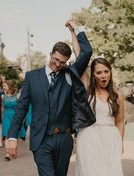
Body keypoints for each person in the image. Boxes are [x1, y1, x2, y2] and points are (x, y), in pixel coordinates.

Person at [6, 19, 95, 176]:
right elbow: (21, 108)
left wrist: (76, 29)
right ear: (51, 54)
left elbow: (87, 52)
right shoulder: (32, 77)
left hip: (64, 139)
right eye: (55, 60)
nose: (58, 64)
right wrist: (12, 136)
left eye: (62, 62)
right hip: (41, 141)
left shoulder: (70, 73)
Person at [75, 61, 125, 174]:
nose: (103, 75)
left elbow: (120, 121)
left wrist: (120, 143)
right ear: (93, 74)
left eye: (106, 71)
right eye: (98, 72)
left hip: (110, 140)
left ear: (110, 73)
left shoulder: (117, 95)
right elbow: (80, 56)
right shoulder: (87, 88)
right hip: (89, 138)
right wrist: (75, 42)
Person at [1, 80, 18, 161]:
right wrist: (2, 116)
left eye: (5, 86)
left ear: (10, 86)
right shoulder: (3, 96)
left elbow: (20, 108)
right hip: (6, 116)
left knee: (14, 135)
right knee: (7, 135)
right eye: (3, 86)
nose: (3, 87)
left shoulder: (17, 96)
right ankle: (7, 153)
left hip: (15, 116)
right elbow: (2, 107)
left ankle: (15, 150)